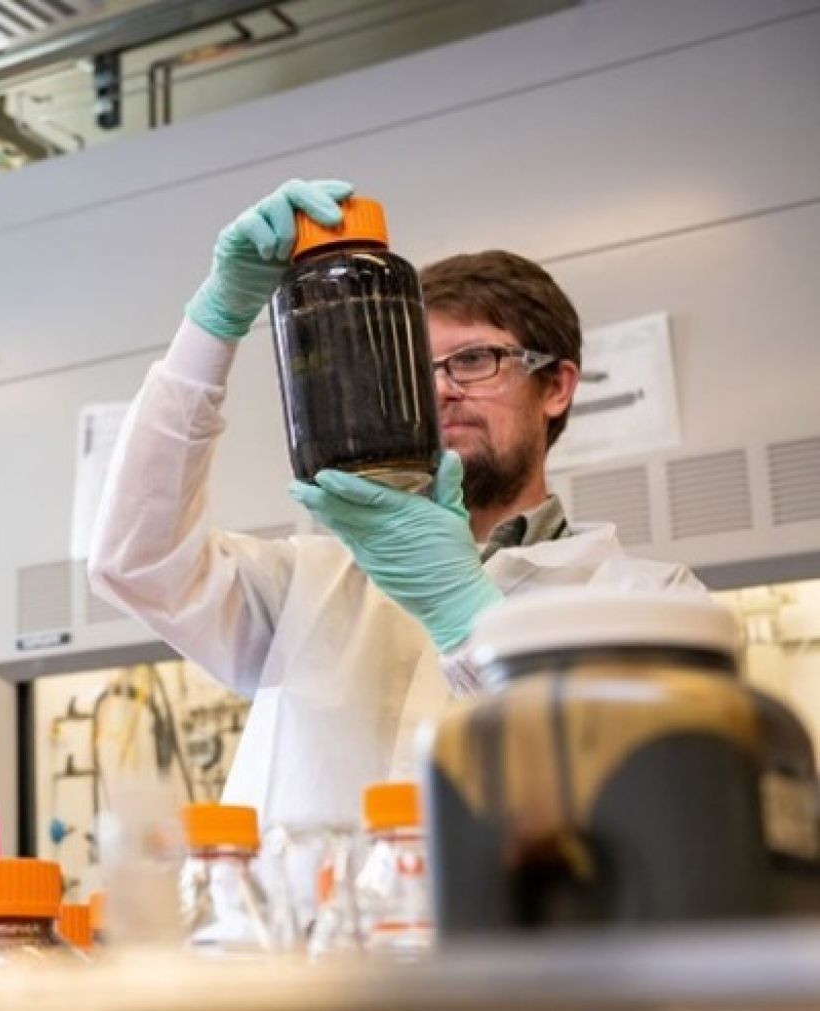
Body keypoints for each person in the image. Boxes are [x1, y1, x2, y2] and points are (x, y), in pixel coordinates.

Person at [86, 179, 703, 828]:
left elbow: (653, 797)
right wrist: (214, 322)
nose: (442, 391)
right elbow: (136, 558)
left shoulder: (655, 599)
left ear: (557, 386)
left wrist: (466, 613)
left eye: (475, 360)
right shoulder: (312, 583)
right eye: (418, 367)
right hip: (305, 932)